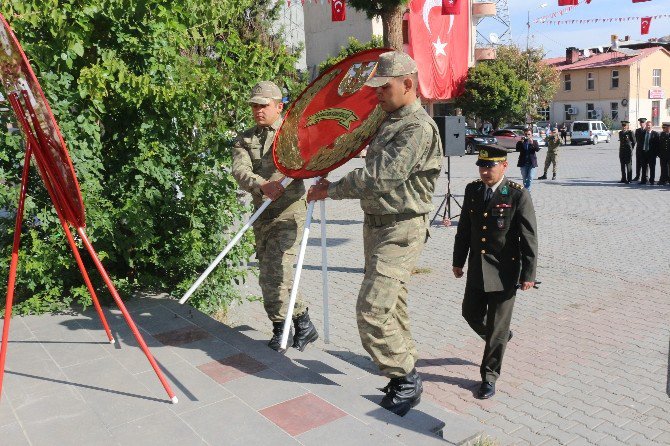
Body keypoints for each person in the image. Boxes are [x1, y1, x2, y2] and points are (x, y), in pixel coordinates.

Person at [307, 51, 442, 416]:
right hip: (378, 226)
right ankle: (404, 370)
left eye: (384, 87)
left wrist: (331, 189)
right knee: (392, 305)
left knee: (371, 310)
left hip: (401, 228)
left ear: (408, 84)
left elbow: (380, 177)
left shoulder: (416, 127)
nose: (377, 93)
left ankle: (405, 376)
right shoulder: (390, 119)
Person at [231, 81, 318, 352]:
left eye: (263, 105)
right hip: (263, 214)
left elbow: (309, 159)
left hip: (290, 213)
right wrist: (261, 184)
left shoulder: (294, 134)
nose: (258, 110)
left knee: (278, 271)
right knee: (270, 274)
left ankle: (281, 330)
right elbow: (240, 170)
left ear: (279, 106)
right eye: (254, 105)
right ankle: (303, 321)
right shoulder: (245, 139)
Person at [452, 145, 538, 399]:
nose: (485, 171)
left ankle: (489, 376)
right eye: (482, 166)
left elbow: (529, 237)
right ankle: (500, 336)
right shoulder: (473, 190)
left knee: (496, 329)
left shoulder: (517, 194)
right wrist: (458, 261)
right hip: (478, 270)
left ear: (504, 166)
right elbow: (464, 229)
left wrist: (529, 274)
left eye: (490, 166)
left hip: (505, 272)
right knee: (470, 313)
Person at [640, 120, 660, 185]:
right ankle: (643, 180)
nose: (648, 127)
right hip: (644, 153)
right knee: (644, 167)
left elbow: (657, 145)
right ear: (646, 126)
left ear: (652, 126)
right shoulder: (643, 133)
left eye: (649, 125)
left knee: (652, 168)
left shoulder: (655, 134)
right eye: (647, 125)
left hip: (652, 154)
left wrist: (656, 154)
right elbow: (640, 143)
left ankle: (652, 180)